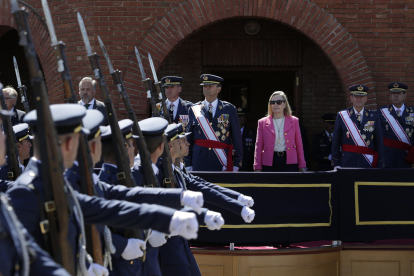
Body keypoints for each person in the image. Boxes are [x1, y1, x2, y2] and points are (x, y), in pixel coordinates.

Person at [7, 104, 200, 275]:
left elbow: (112, 205)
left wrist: (171, 216)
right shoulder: (24, 191)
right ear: (69, 144)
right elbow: (26, 254)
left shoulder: (57, 183)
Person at [66, 111, 205, 276]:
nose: (135, 150)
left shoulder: (103, 182)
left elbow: (137, 201)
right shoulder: (96, 182)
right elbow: (89, 225)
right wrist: (122, 245)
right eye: (131, 144)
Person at [153, 122, 254, 276]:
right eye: (182, 141)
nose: (188, 143)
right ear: (170, 146)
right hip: (169, 252)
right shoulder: (160, 174)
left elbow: (204, 187)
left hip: (182, 249)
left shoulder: (176, 171)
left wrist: (238, 200)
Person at [186, 74, 243, 172]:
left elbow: (236, 138)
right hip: (199, 160)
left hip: (221, 160)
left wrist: (237, 163)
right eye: (204, 86)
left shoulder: (229, 109)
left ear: (219, 89)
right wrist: (187, 162)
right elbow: (188, 138)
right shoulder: (194, 109)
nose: (206, 88)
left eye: (210, 86)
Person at [331, 85, 385, 168]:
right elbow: (336, 142)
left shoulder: (374, 116)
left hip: (367, 162)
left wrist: (380, 163)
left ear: (366, 99)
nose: (359, 99)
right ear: (351, 98)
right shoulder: (342, 116)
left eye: (362, 96)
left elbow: (379, 143)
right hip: (347, 162)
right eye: (356, 96)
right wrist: (336, 163)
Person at [254, 91, 306, 172]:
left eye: (279, 102)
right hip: (269, 162)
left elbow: (299, 144)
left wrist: (302, 164)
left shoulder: (294, 121)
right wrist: (257, 166)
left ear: (285, 104)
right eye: (272, 102)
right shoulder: (262, 122)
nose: (275, 105)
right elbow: (258, 146)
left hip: (289, 161)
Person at [378, 82, 414, 168]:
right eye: (393, 93)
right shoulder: (382, 112)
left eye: (399, 93)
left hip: (407, 156)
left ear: (404, 96)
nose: (396, 96)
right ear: (390, 96)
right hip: (387, 156)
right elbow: (377, 135)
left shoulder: (412, 112)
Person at [237, 107, 256, 171]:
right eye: (238, 116)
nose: (240, 118)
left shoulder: (252, 133)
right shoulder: (229, 133)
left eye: (242, 116)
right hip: (233, 165)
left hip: (247, 166)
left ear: (245, 119)